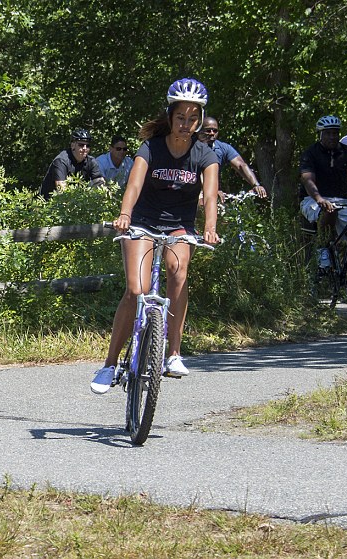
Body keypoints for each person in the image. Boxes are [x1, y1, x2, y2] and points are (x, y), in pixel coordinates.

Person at [90, 78, 219, 394]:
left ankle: (173, 353)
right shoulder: (151, 148)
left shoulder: (205, 156)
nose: (186, 125)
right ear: (170, 116)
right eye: (180, 118)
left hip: (180, 226)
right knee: (137, 290)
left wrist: (210, 228)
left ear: (199, 120)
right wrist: (124, 214)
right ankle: (109, 364)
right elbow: (134, 184)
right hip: (143, 222)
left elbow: (211, 195)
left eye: (192, 119)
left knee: (178, 273)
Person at [299, 115, 347, 238]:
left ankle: (343, 251)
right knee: (330, 211)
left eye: (335, 133)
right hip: (313, 199)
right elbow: (308, 180)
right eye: (328, 133)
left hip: (342, 200)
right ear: (321, 134)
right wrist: (319, 199)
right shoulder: (311, 153)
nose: (332, 137)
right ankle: (322, 247)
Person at [197, 116, 267, 198]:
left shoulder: (223, 148)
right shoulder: (192, 147)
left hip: (210, 189)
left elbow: (241, 165)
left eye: (215, 130)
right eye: (208, 130)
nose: (212, 133)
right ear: (199, 131)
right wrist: (212, 190)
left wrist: (256, 185)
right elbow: (198, 172)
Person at [39, 129, 104, 199]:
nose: (85, 148)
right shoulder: (61, 161)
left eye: (87, 145)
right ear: (73, 145)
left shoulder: (91, 161)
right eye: (81, 145)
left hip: (76, 201)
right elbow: (61, 190)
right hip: (49, 203)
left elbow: (99, 183)